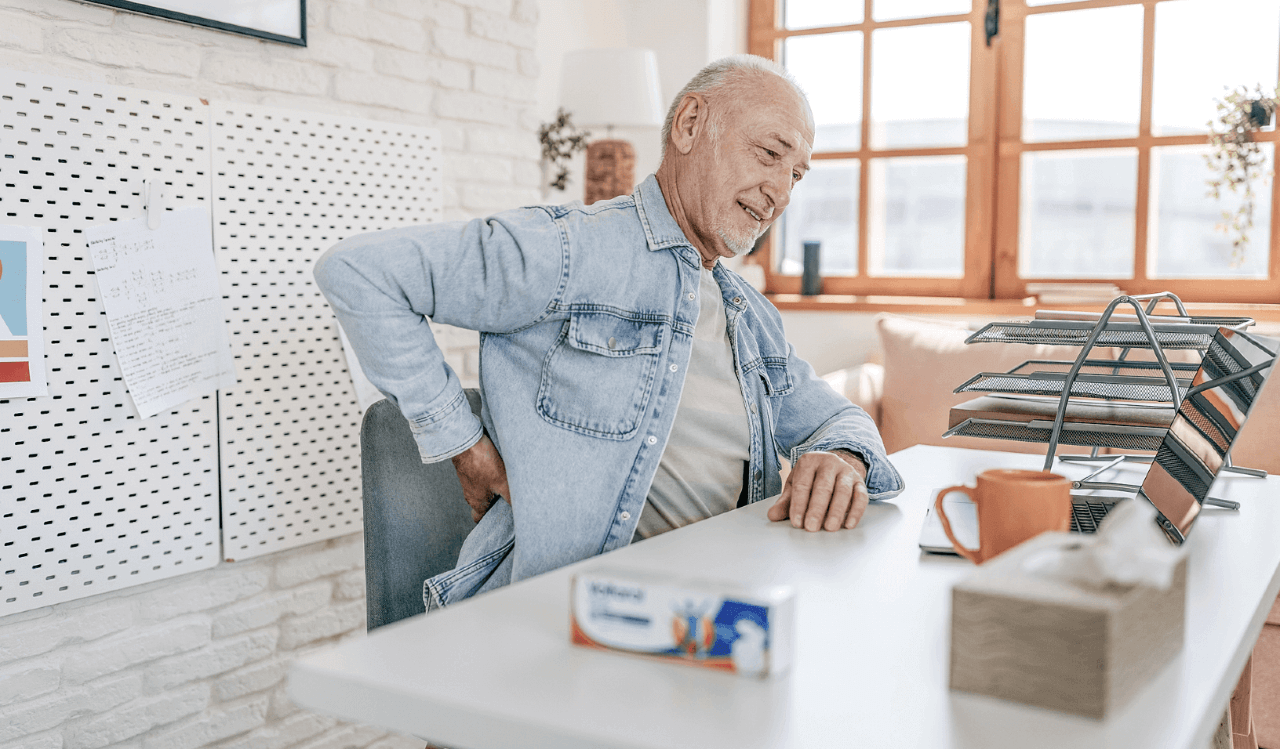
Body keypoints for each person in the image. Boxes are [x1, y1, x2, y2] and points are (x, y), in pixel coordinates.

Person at [314, 54, 904, 611]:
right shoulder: (572, 248)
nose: (782, 192)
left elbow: (837, 417)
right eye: (769, 154)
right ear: (690, 125)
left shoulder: (749, 313)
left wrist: (842, 457)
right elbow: (360, 272)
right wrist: (465, 448)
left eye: (796, 174)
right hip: (574, 614)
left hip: (716, 608)